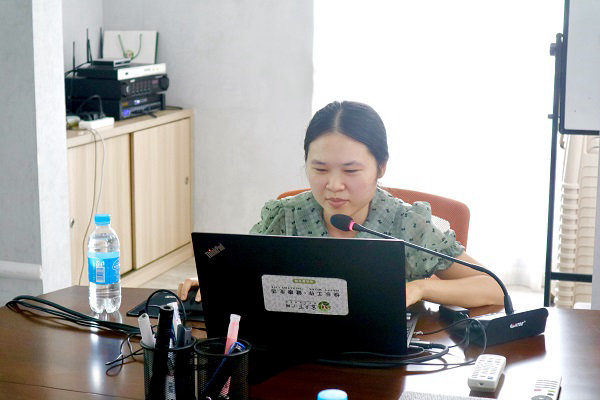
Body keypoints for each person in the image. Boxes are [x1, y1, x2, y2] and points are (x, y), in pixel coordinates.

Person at [178, 101, 504, 308]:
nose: (333, 185)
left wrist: (420, 289)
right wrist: (212, 280)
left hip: (383, 360)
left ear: (381, 167)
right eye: (320, 169)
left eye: (350, 171)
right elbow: (236, 265)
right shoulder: (286, 216)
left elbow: (493, 288)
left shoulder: (406, 224)